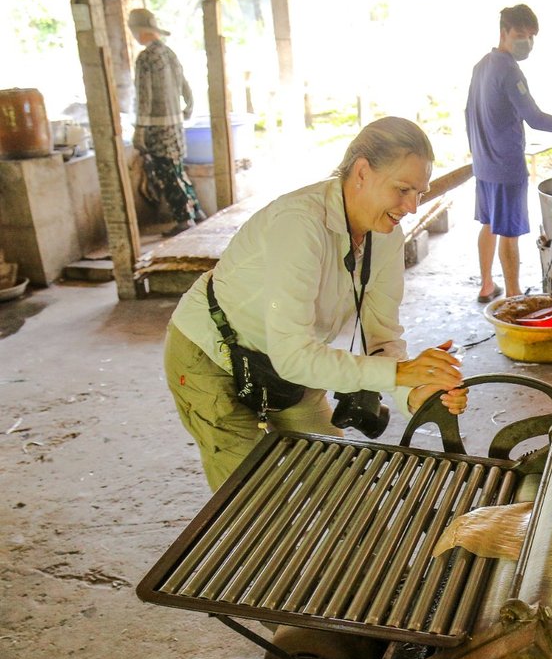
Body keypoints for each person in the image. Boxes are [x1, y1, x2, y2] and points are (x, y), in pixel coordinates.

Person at [164, 116, 467, 491]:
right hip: (211, 357)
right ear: (361, 172)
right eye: (403, 189)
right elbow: (293, 356)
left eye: (419, 193)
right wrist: (402, 373)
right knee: (251, 501)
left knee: (337, 480)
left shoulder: (385, 233)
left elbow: (381, 335)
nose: (411, 206)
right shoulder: (300, 224)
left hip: (286, 363)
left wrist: (415, 390)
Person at [465, 4, 552, 303]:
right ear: (504, 32)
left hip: (484, 164)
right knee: (508, 230)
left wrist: (477, 153)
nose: (527, 42)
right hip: (506, 166)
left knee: (489, 224)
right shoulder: (509, 70)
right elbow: (534, 117)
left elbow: (467, 112)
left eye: (532, 36)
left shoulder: (481, 65)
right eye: (521, 35)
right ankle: (513, 294)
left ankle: (486, 286)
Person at [127, 7, 205, 237]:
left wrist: (139, 130)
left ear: (139, 31)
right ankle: (196, 211)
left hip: (158, 128)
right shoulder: (169, 54)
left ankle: (183, 219)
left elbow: (144, 97)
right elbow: (185, 85)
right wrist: (189, 106)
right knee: (178, 169)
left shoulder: (146, 58)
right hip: (176, 125)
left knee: (168, 173)